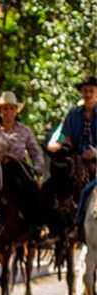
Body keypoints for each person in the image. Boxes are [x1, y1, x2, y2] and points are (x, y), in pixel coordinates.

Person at [61, 76, 97, 227]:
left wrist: (94, 153)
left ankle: (78, 222)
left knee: (87, 189)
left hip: (95, 160)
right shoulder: (73, 114)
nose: (88, 94)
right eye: (85, 91)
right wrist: (67, 150)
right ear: (81, 93)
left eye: (91, 91)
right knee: (53, 185)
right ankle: (46, 226)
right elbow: (66, 139)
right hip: (75, 158)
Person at [0, 91, 45, 176]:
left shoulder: (24, 130)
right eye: (5, 108)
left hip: (19, 171)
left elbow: (35, 152)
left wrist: (38, 168)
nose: (8, 112)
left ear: (16, 111)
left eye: (12, 108)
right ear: (0, 111)